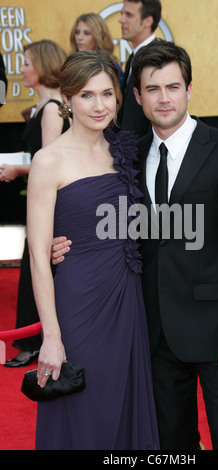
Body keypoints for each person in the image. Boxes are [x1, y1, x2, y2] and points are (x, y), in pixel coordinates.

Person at [52, 40, 218, 450]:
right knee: (171, 443)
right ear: (135, 96)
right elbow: (104, 220)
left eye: (172, 86)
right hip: (152, 330)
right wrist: (59, 246)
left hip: (217, 329)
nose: (163, 98)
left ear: (189, 89)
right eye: (152, 89)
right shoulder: (128, 154)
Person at [27, 50, 159, 450]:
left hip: (126, 294)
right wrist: (51, 335)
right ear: (67, 98)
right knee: (84, 409)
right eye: (87, 95)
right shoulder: (48, 161)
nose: (99, 105)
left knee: (124, 400)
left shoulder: (126, 151)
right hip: (80, 301)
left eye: (107, 94)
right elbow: (36, 256)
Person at [2, 40, 70, 368]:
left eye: (27, 63)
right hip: (43, 201)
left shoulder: (53, 108)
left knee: (38, 268)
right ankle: (32, 341)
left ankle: (34, 343)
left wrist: (16, 168)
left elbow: (50, 164)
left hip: (51, 205)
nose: (22, 69)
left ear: (42, 65)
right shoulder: (47, 105)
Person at [117, 0, 161, 136]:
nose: (121, 20)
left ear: (147, 21)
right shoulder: (134, 55)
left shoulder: (158, 57)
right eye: (122, 14)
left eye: (128, 15)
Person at [69, 13, 124, 86]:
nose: (79, 37)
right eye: (77, 32)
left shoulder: (111, 67)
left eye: (86, 33)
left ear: (98, 37)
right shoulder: (70, 64)